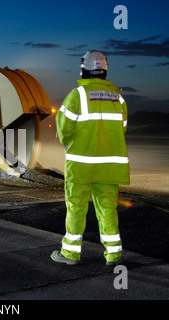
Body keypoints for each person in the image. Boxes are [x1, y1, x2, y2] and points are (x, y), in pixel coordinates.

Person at [51, 50, 130, 266]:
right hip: (109, 167)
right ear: (105, 71)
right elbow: (121, 129)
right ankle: (113, 255)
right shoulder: (119, 98)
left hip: (81, 166)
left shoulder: (77, 95)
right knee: (107, 208)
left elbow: (64, 130)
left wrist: (71, 141)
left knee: (76, 208)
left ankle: (70, 254)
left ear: (83, 70)